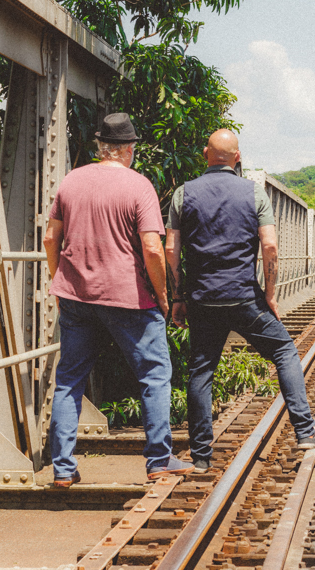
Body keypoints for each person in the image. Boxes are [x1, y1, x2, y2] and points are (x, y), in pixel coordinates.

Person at [165, 129, 315, 474]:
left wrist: (178, 296)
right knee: (284, 351)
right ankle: (304, 431)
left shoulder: (183, 193)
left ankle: (200, 456)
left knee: (201, 369)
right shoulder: (255, 192)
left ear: (205, 153)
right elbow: (269, 246)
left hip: (202, 298)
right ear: (237, 158)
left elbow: (170, 249)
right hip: (243, 297)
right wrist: (269, 294)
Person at [43, 113, 192, 486]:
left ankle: (62, 467)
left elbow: (50, 239)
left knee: (68, 381)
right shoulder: (138, 185)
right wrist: (162, 295)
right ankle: (158, 460)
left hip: (76, 296)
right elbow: (153, 250)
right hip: (129, 299)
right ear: (128, 150)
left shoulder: (71, 180)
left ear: (100, 147)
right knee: (155, 377)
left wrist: (58, 281)